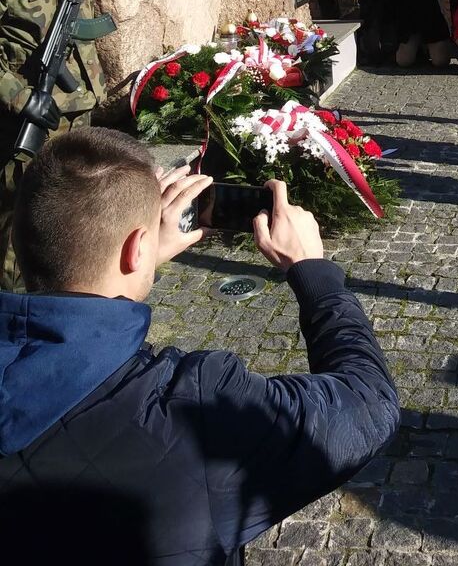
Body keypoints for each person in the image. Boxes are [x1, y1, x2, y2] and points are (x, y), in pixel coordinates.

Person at [0, 128, 399, 564]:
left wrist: (132, 261)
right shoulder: (195, 406)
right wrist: (313, 271)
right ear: (136, 247)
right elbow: (368, 403)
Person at [0, 0, 107, 291]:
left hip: (75, 109)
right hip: (27, 116)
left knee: (68, 226)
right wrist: (23, 96)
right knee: (17, 231)